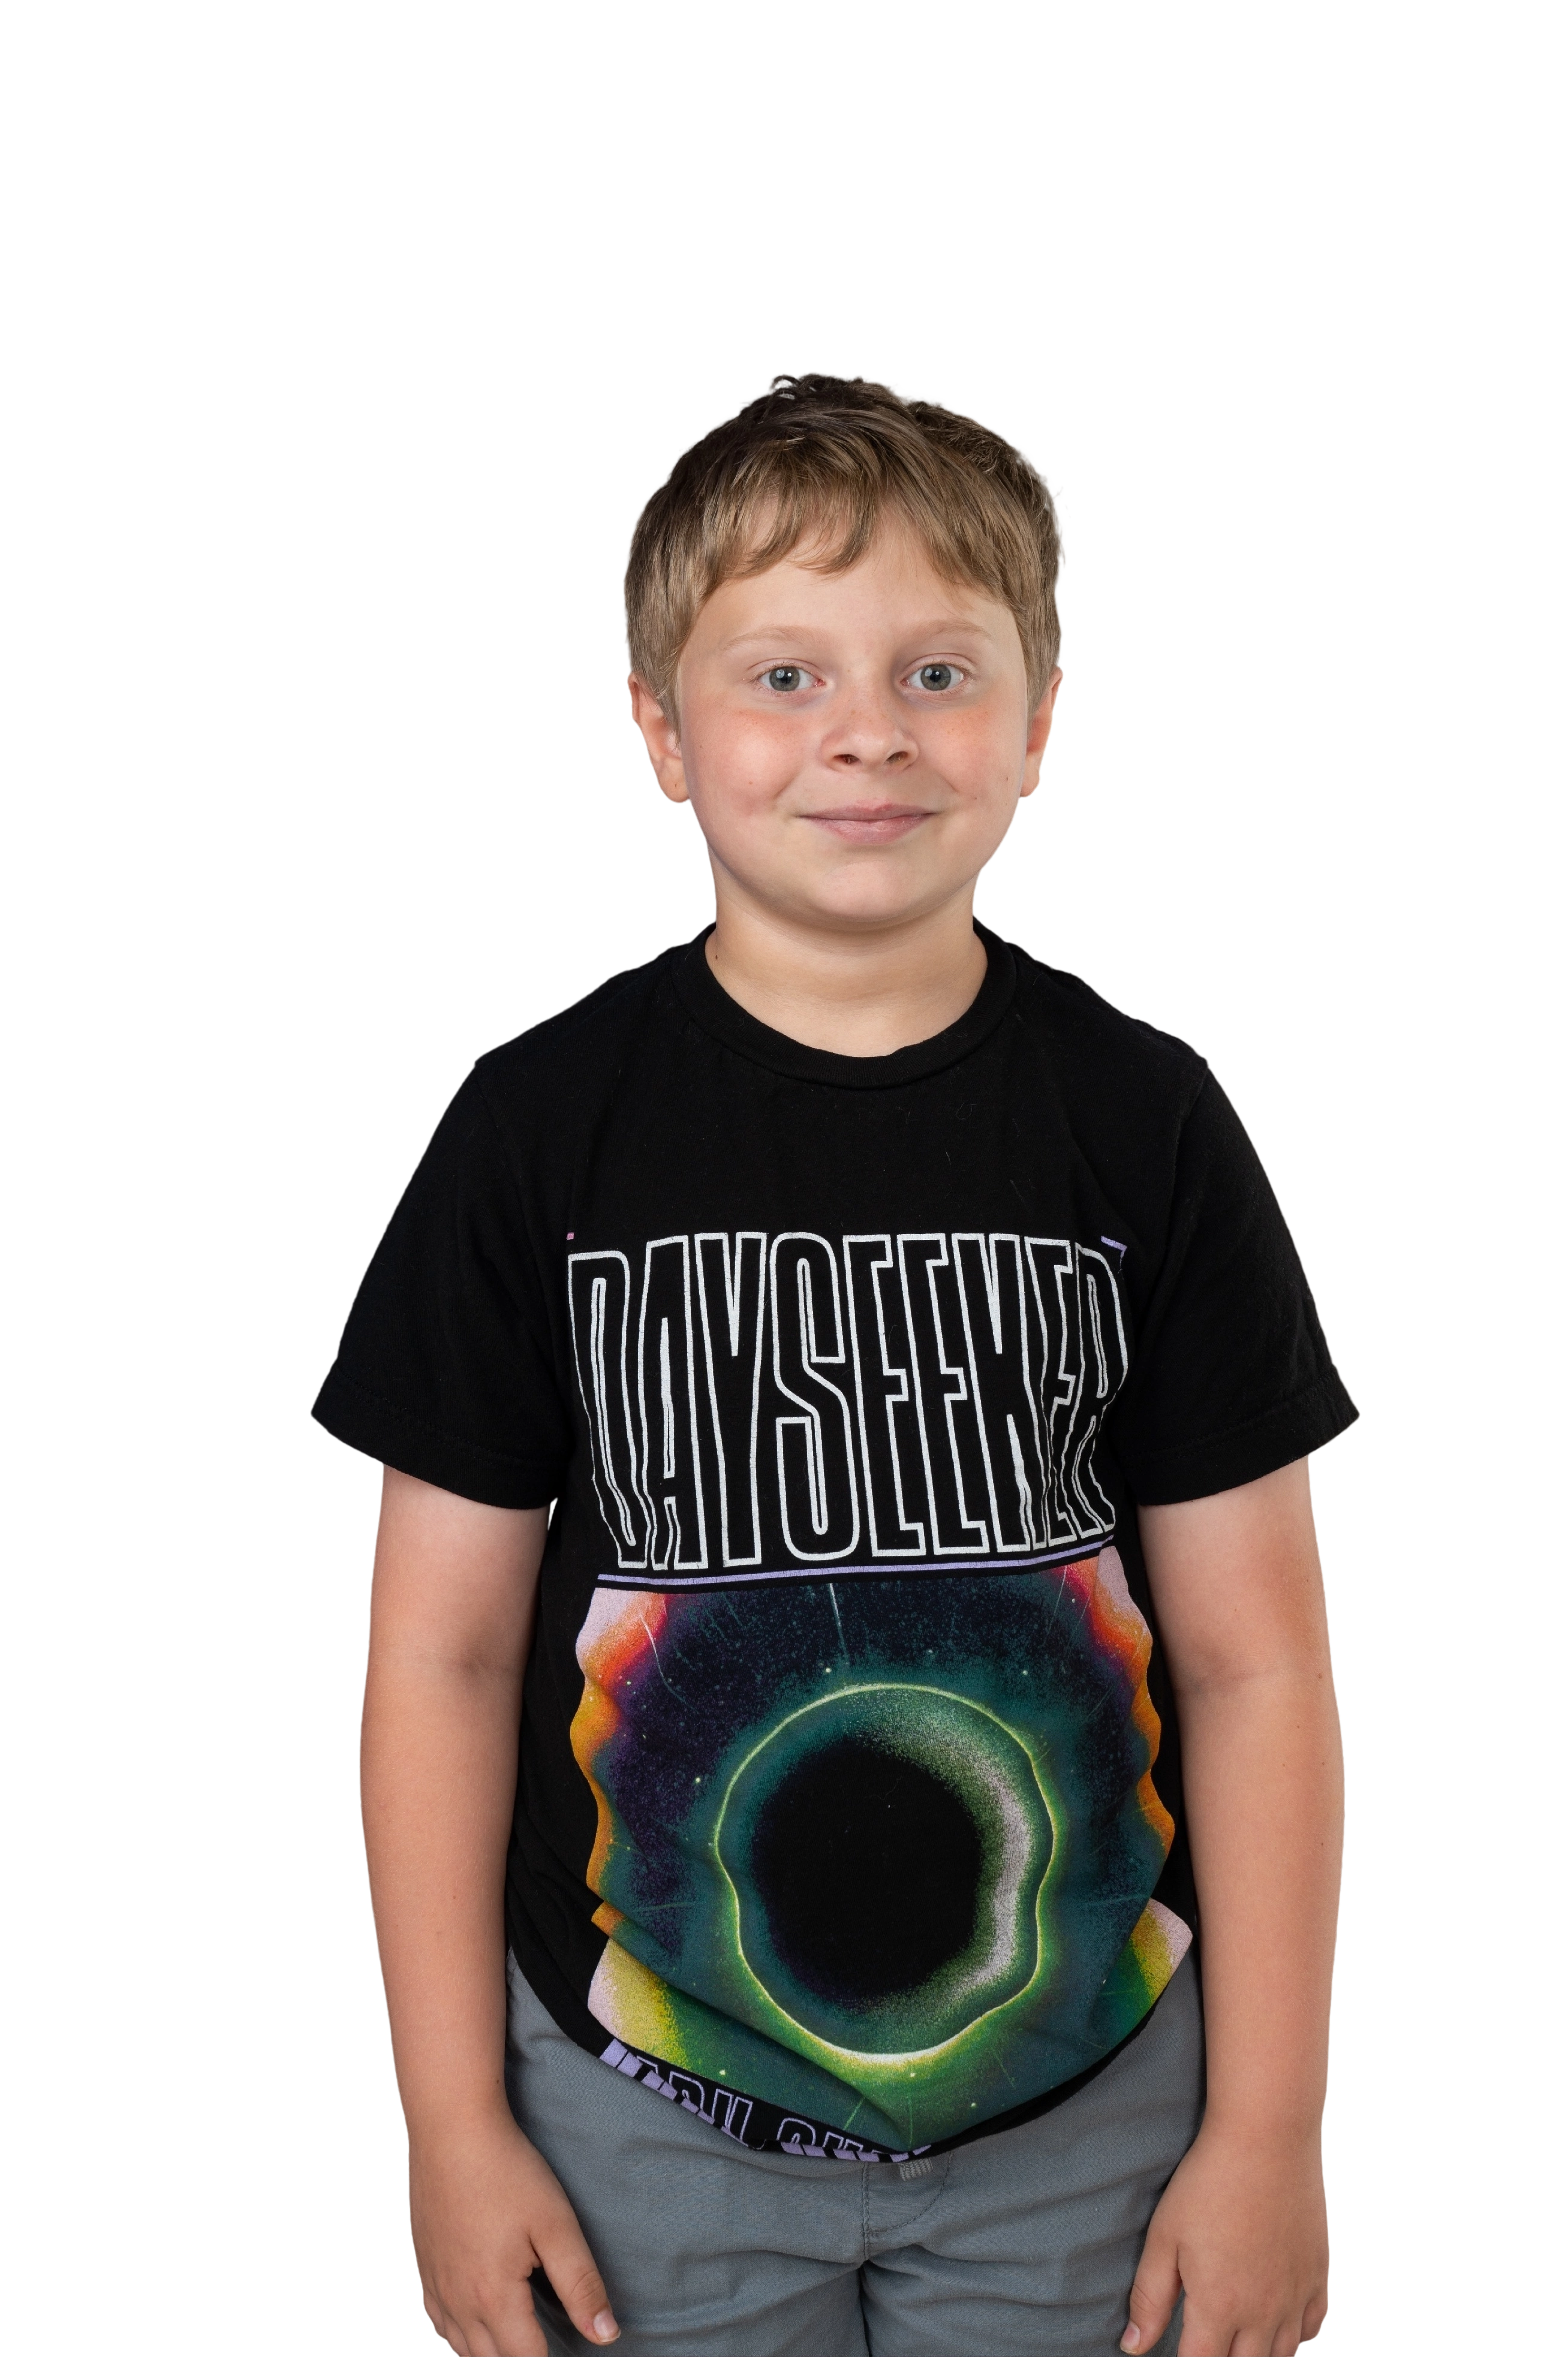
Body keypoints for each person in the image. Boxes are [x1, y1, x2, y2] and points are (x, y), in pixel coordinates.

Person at [308, 369, 1356, 2357]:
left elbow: (1254, 1660)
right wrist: (452, 2126)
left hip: (1095, 2119)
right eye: (783, 675)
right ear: (659, 733)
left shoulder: (1145, 1121)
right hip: (630, 2117)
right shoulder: (533, 1129)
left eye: (936, 671)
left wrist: (1269, 2134)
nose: (865, 728)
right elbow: (438, 1656)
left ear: (1037, 722)